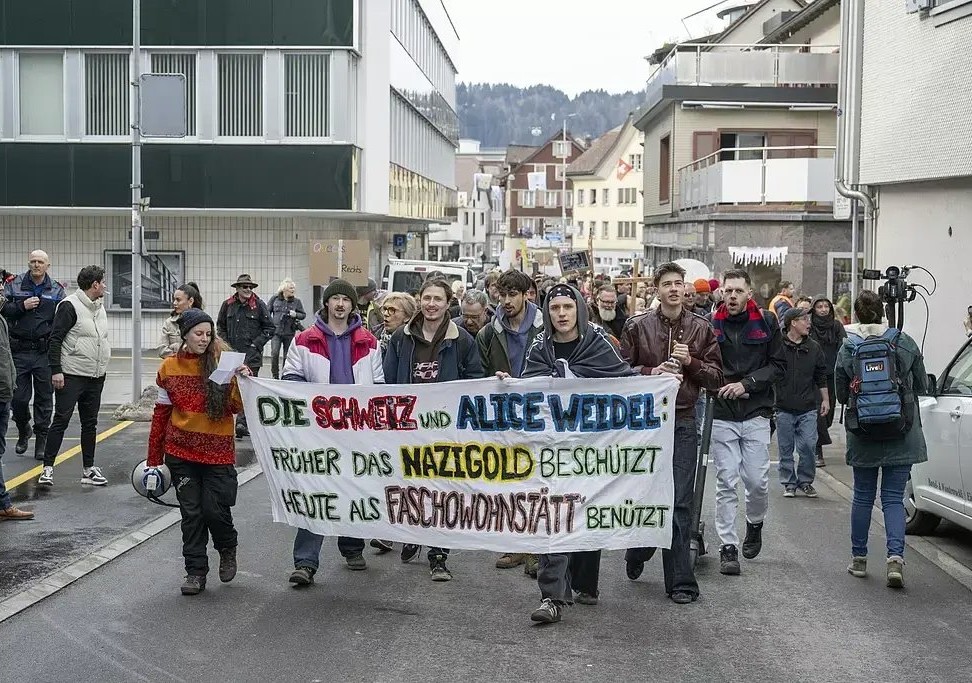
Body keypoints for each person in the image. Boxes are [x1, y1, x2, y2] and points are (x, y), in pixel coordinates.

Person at [519, 284, 638, 623]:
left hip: (593, 447)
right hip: (552, 448)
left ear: (579, 310)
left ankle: (586, 582)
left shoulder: (597, 342)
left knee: (586, 510)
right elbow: (528, 386)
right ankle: (552, 597)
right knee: (552, 515)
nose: (561, 314)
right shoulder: (540, 345)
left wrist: (656, 378)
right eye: (554, 307)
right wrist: (507, 385)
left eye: (567, 307)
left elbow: (624, 381)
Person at [621, 262, 723, 605]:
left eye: (679, 284)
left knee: (680, 501)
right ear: (657, 290)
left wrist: (692, 362)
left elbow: (715, 378)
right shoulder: (637, 327)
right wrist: (652, 371)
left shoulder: (702, 328)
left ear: (685, 290)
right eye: (667, 284)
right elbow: (620, 374)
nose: (674, 289)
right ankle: (638, 549)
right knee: (646, 497)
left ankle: (681, 582)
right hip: (646, 426)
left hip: (683, 420)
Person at [282, 279, 385, 586]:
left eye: (346, 299)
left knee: (353, 489)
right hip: (318, 433)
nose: (340, 304)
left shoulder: (369, 342)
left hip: (356, 432)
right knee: (316, 493)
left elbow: (378, 387)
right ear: (326, 303)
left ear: (354, 305)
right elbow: (290, 380)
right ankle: (305, 562)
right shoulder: (304, 340)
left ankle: (352, 547)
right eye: (335, 299)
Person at [383, 277, 484, 581]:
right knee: (411, 487)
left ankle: (438, 555)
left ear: (448, 303)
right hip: (409, 427)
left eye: (438, 299)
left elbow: (476, 378)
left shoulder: (462, 339)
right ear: (420, 300)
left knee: (441, 491)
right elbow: (388, 380)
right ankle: (413, 533)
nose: (431, 304)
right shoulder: (402, 337)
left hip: (445, 429)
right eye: (427, 298)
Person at [146, 309, 251, 595]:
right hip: (181, 452)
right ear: (185, 335)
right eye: (198, 334)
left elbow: (236, 407)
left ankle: (227, 547)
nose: (204, 339)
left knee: (214, 509)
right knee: (191, 514)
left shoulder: (223, 364)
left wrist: (242, 381)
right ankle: (195, 572)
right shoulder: (169, 368)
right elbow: (161, 414)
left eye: (208, 334)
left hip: (217, 452)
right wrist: (153, 460)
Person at [836, 290, 927, 588]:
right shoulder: (904, 341)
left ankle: (859, 559)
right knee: (892, 498)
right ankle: (895, 561)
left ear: (858, 316)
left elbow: (840, 394)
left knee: (863, 496)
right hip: (902, 431)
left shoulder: (849, 348)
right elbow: (923, 384)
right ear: (883, 313)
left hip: (864, 432)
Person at [709, 269, 786, 576]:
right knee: (726, 481)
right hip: (723, 413)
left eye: (739, 291)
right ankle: (727, 546)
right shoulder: (711, 325)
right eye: (728, 291)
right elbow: (706, 363)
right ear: (721, 293)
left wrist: (748, 383)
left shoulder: (767, 323)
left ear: (749, 294)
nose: (732, 296)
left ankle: (754, 524)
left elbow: (778, 365)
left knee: (756, 481)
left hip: (757, 411)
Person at [477, 269, 543, 574]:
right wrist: (493, 381)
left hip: (539, 415)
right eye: (502, 295)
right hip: (504, 418)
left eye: (512, 294)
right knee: (510, 482)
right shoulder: (489, 333)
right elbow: (477, 375)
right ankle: (517, 545)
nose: (506, 301)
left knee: (537, 483)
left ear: (526, 294)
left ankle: (536, 550)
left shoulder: (545, 329)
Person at [36, 266, 111, 488]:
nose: (105, 286)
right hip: (71, 374)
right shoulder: (70, 306)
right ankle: (47, 469)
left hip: (95, 374)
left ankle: (89, 469)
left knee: (90, 423)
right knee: (61, 420)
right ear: (94, 284)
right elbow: (55, 339)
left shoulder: (99, 307)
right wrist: (56, 370)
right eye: (102, 282)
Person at [2, 250, 65, 460]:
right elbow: (3, 310)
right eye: (33, 262)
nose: (36, 265)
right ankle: (23, 428)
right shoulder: (15, 284)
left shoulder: (56, 290)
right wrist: (22, 305)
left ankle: (41, 440)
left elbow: (61, 320)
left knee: (44, 399)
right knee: (18, 399)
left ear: (48, 265)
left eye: (40, 262)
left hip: (43, 351)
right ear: (29, 264)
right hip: (19, 350)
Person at [774, 307, 829, 498]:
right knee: (786, 448)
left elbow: (821, 375)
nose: (808, 323)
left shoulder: (814, 347)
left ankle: (805, 481)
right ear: (793, 323)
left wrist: (826, 400)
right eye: (804, 319)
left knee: (807, 446)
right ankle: (789, 483)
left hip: (807, 407)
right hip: (783, 406)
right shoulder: (777, 345)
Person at [216, 274, 274, 437]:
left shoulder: (259, 305)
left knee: (246, 390)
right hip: (231, 354)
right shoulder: (227, 305)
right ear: (237, 288)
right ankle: (224, 421)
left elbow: (270, 328)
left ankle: (242, 423)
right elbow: (220, 326)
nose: (248, 289)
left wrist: (256, 344)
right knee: (227, 388)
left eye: (250, 287)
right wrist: (225, 345)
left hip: (251, 356)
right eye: (244, 287)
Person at [0, 291, 34, 520]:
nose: (2, 293)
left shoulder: (1, 318)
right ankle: (4, 504)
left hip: (3, 393)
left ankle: (3, 504)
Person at [809, 296, 846, 467]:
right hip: (814, 376)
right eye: (819, 307)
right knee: (819, 412)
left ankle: (816, 440)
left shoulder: (836, 326)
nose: (823, 309)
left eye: (826, 306)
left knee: (828, 416)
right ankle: (818, 451)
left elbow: (844, 347)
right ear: (813, 309)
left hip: (832, 374)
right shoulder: (809, 326)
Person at [267, 279, 307, 379]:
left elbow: (303, 315)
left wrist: (296, 314)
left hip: (289, 332)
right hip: (276, 332)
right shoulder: (275, 299)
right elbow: (267, 312)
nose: (293, 290)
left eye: (294, 288)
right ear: (284, 289)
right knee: (275, 353)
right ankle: (275, 376)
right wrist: (270, 324)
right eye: (291, 288)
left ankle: (284, 376)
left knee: (287, 356)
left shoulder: (297, 302)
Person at [158, 282, 203, 359]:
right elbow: (162, 351)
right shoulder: (169, 323)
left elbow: (206, 350)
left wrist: (174, 347)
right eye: (174, 300)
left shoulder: (203, 322)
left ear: (190, 301)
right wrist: (182, 350)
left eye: (178, 300)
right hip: (175, 368)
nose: (174, 303)